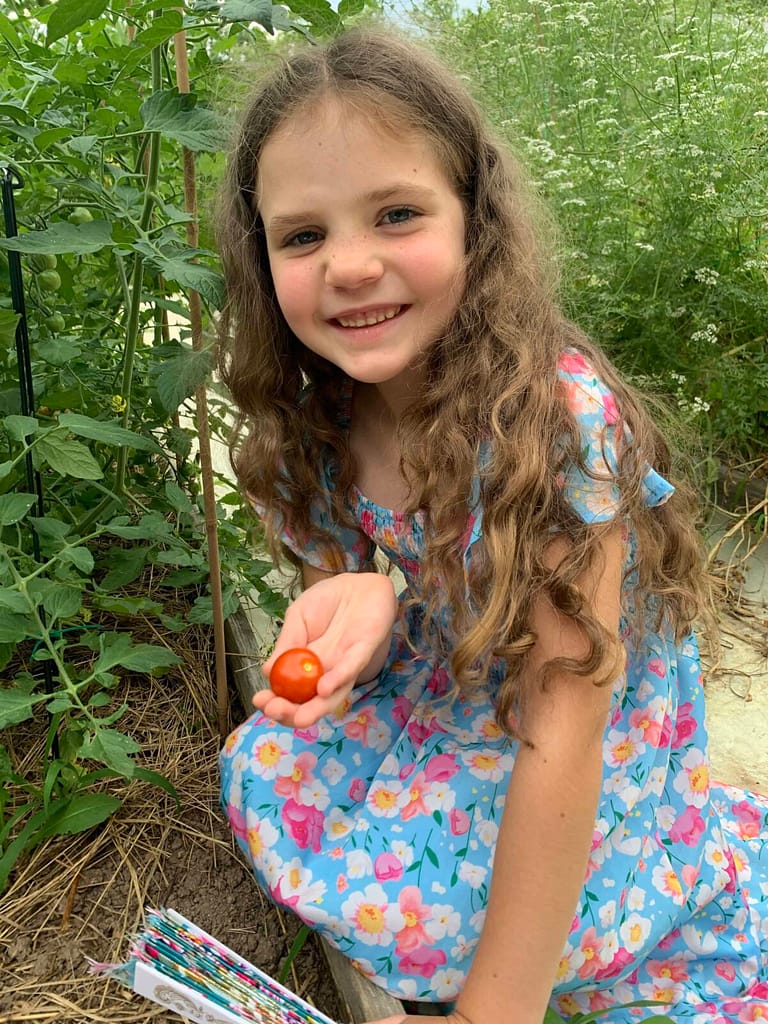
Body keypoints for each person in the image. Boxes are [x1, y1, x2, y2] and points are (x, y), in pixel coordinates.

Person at [216, 26, 768, 1024]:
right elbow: (344, 576)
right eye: (302, 235)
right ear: (262, 256)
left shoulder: (547, 426)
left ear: (475, 218)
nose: (348, 265)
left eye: (395, 214)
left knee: (450, 915)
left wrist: (492, 1014)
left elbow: (567, 713)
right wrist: (364, 589)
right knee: (279, 772)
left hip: (580, 704)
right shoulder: (325, 402)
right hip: (462, 668)